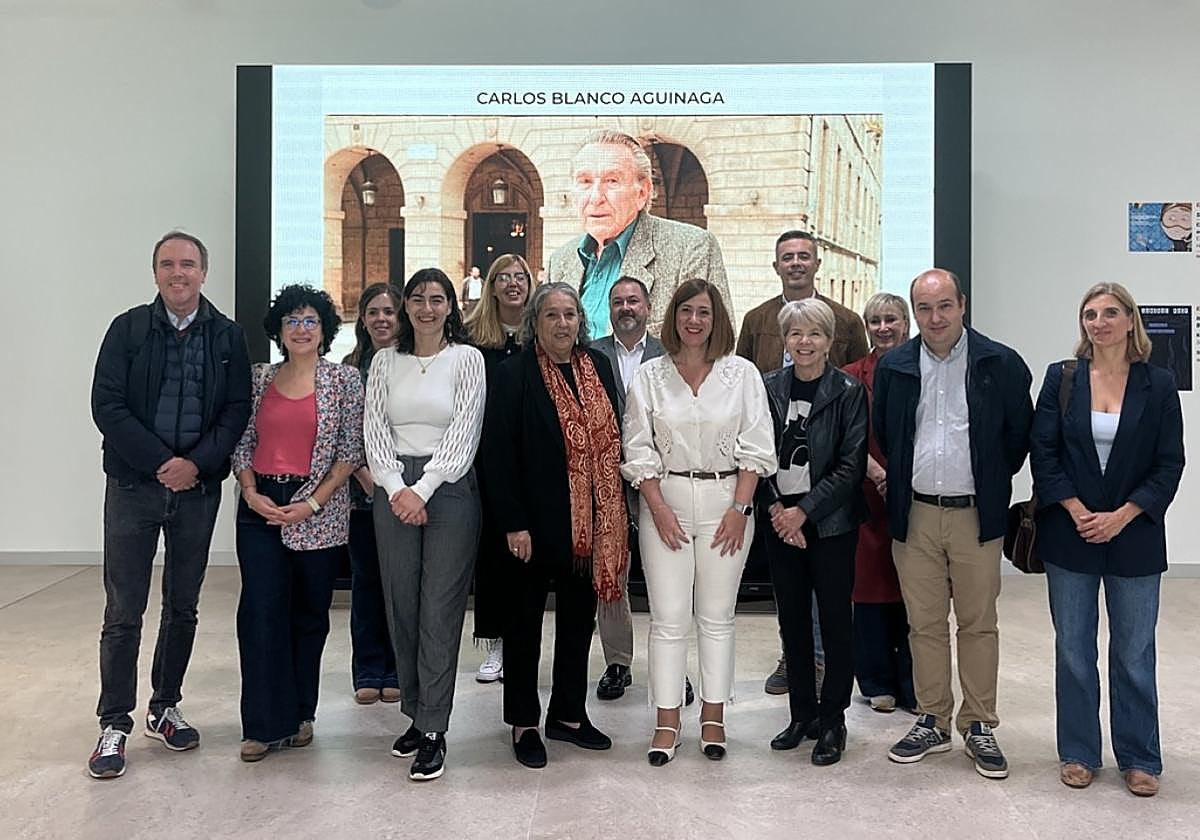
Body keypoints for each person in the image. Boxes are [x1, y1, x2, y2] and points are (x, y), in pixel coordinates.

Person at [87, 231, 251, 780]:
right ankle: (114, 722)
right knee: (123, 611)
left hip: (197, 491)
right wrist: (162, 462)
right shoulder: (128, 328)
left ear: (205, 272)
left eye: (187, 264)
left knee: (183, 605)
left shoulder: (227, 336)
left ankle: (165, 705)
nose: (177, 273)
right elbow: (106, 404)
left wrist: (196, 465)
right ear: (154, 272)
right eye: (167, 264)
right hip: (134, 487)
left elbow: (235, 411)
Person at [874, 269, 1033, 779]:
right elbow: (887, 434)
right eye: (924, 308)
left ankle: (980, 723)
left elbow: (1016, 440)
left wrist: (982, 482)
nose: (935, 318)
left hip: (975, 516)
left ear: (962, 305)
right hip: (915, 514)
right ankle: (933, 718)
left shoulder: (1000, 363)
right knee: (923, 624)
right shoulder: (897, 365)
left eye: (944, 306)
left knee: (977, 623)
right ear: (914, 314)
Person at [1030, 282, 1184, 797]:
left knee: (1134, 651)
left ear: (1130, 320)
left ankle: (1140, 757)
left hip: (1135, 534)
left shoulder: (1157, 383)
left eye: (1110, 312)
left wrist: (1122, 515)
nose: (1100, 322)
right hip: (1070, 533)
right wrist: (1076, 510)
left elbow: (1170, 463)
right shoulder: (1062, 378)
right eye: (1090, 314)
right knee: (1074, 649)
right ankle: (1078, 752)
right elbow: (1044, 453)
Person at [623, 279, 776, 765]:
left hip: (726, 502)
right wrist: (659, 507)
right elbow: (637, 447)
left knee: (716, 617)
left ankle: (714, 716)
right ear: (673, 317)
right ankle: (667, 720)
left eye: (704, 312)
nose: (694, 320)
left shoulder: (743, 374)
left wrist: (740, 508)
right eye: (686, 310)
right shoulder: (649, 376)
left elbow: (757, 445)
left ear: (717, 319)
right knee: (667, 619)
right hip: (663, 501)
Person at [481, 282, 626, 770]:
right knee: (524, 628)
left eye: (570, 315)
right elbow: (497, 453)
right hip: (532, 528)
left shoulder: (598, 367)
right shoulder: (513, 373)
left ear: (580, 321)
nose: (563, 324)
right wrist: (514, 524)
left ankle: (567, 714)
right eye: (552, 316)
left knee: (578, 623)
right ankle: (523, 722)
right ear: (535, 323)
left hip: (589, 528)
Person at [232, 284, 364, 763]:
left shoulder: (344, 382)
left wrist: (311, 503)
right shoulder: (257, 378)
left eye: (311, 321)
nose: (302, 329)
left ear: (325, 329)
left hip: (319, 509)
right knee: (261, 612)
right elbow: (242, 442)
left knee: (308, 615)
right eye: (292, 321)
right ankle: (262, 725)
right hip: (260, 504)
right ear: (279, 330)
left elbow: (350, 452)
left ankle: (300, 713)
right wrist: (250, 491)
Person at [364, 268, 486, 782]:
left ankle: (435, 729)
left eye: (438, 299)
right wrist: (396, 489)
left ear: (451, 306)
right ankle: (416, 714)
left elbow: (465, 428)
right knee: (403, 605)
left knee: (439, 609)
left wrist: (424, 489)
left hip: (449, 488)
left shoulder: (467, 359)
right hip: (394, 491)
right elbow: (375, 429)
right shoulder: (384, 361)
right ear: (406, 306)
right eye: (418, 299)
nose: (427, 308)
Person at [736, 230, 868, 695]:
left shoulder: (848, 321)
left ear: (817, 263)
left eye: (803, 256)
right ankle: (795, 664)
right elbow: (744, 394)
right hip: (778, 494)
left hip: (828, 499)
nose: (795, 263)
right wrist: (776, 506)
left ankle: (821, 673)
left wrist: (808, 507)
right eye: (787, 257)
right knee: (790, 599)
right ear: (776, 266)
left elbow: (855, 391)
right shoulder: (756, 320)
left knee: (831, 605)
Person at [759, 298, 867, 766]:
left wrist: (803, 512)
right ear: (785, 341)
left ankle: (833, 720)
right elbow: (756, 454)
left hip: (831, 526)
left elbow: (850, 466)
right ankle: (801, 714)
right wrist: (780, 513)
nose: (805, 343)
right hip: (780, 524)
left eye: (815, 334)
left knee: (836, 624)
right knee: (793, 623)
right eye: (796, 334)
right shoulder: (768, 388)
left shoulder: (847, 391)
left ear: (830, 341)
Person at [546, 129, 730, 336]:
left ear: (642, 193)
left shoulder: (691, 248)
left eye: (612, 181)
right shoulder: (560, 261)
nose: (595, 197)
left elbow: (716, 349)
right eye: (585, 181)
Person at [589, 277, 665, 701]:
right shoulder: (591, 355)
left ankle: (670, 668)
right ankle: (618, 663)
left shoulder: (668, 355)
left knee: (664, 576)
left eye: (633, 300)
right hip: (605, 483)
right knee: (611, 574)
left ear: (648, 307)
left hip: (659, 478)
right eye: (618, 301)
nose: (625, 308)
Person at [842, 293, 917, 714]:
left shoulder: (926, 369)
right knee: (868, 591)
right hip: (867, 496)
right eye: (875, 321)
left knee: (913, 592)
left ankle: (912, 684)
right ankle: (875, 682)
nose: (883, 327)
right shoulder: (851, 377)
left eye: (891, 319)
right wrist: (876, 473)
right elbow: (845, 435)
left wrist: (904, 478)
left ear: (906, 323)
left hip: (916, 495)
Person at [464, 253, 534, 683]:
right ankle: (495, 644)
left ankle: (524, 641)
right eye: (503, 277)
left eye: (519, 277)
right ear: (490, 287)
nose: (512, 284)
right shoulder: (473, 339)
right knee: (492, 556)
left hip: (533, 460)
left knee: (530, 559)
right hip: (485, 459)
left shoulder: (541, 335)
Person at [342, 283, 404, 704]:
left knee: (400, 587)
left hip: (406, 492)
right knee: (367, 584)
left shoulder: (412, 363)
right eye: (373, 311)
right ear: (363, 319)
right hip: (363, 494)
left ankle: (398, 668)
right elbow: (343, 430)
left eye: (389, 311)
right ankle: (368, 667)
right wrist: (365, 472)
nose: (382, 318)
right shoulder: (349, 368)